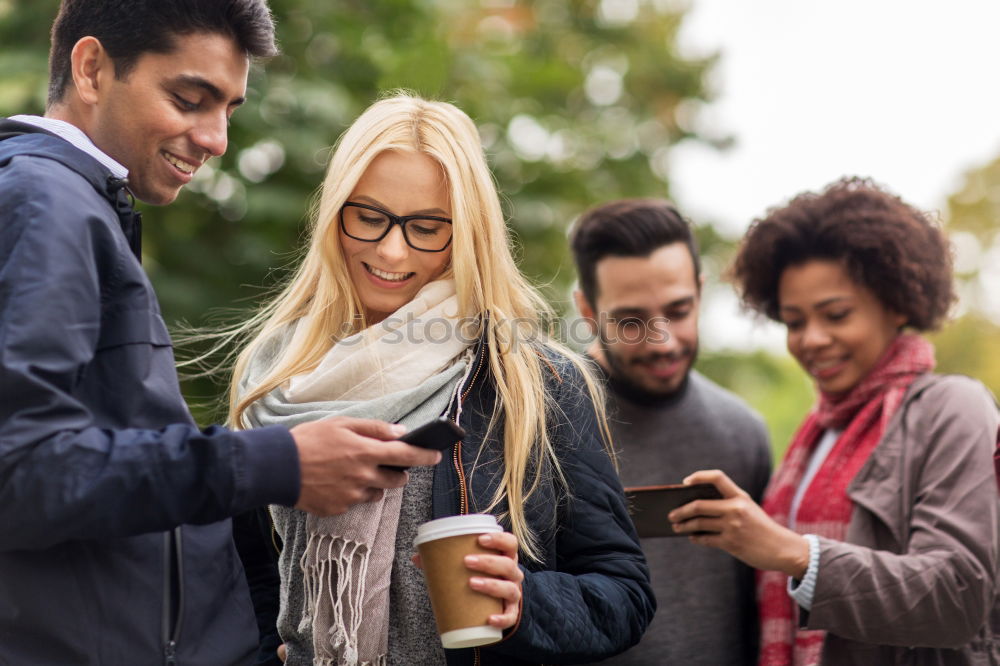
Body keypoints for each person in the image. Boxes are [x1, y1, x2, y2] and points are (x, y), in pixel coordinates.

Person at [0, 3, 442, 665]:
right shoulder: (46, 204)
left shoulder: (82, 204)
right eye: (188, 99)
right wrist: (276, 463)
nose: (215, 139)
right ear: (91, 69)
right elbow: (21, 470)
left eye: (229, 109)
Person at [228, 93, 655, 666]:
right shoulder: (276, 375)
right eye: (369, 216)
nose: (391, 249)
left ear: (469, 234)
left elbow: (624, 595)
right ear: (335, 213)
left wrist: (523, 601)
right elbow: (250, 573)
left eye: (427, 227)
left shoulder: (535, 382)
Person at [671, 177, 1000, 665]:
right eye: (795, 322)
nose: (813, 340)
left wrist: (796, 553)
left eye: (837, 314)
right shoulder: (819, 432)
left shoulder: (953, 408)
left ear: (897, 303)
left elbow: (957, 594)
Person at [569, 198, 772, 665]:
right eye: (631, 321)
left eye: (678, 311)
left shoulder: (743, 433)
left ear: (700, 293)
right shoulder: (537, 427)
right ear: (587, 309)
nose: (662, 341)